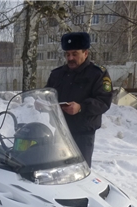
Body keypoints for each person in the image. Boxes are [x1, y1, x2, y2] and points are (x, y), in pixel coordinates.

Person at [46, 32, 113, 167]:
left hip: (82, 134)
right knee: (57, 171)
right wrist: (42, 103)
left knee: (80, 172)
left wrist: (81, 107)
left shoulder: (97, 74)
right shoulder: (57, 74)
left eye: (75, 54)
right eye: (67, 54)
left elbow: (103, 101)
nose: (70, 58)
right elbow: (47, 94)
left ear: (85, 53)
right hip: (59, 133)